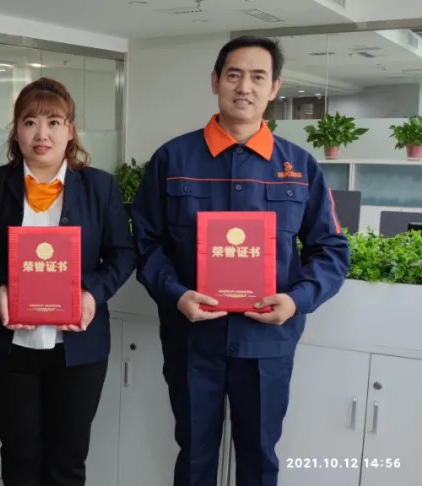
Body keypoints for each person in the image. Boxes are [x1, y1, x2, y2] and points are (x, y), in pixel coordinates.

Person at [131, 36, 350, 486]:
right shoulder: (173, 159)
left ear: (275, 87)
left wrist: (297, 300)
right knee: (194, 455)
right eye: (234, 75)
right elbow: (146, 243)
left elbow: (330, 249)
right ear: (215, 82)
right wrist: (176, 294)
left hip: (267, 342)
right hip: (194, 339)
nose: (244, 87)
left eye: (257, 77)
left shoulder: (300, 166)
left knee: (259, 458)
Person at [0, 78, 137, 486]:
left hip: (78, 346)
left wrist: (92, 292)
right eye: (30, 122)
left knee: (68, 458)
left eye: (54, 122)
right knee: (19, 455)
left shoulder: (99, 187)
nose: (42, 134)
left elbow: (124, 253)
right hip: (10, 346)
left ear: (70, 131)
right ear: (16, 131)